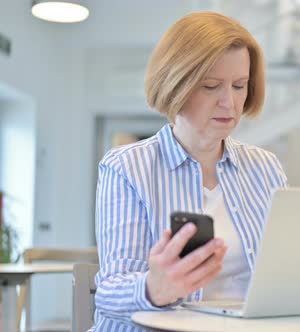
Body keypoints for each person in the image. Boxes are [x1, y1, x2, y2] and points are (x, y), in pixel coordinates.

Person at [92, 12, 288, 331]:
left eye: (240, 86)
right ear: (176, 85)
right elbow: (109, 293)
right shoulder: (127, 167)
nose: (230, 103)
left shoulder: (266, 168)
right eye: (211, 86)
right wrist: (153, 288)